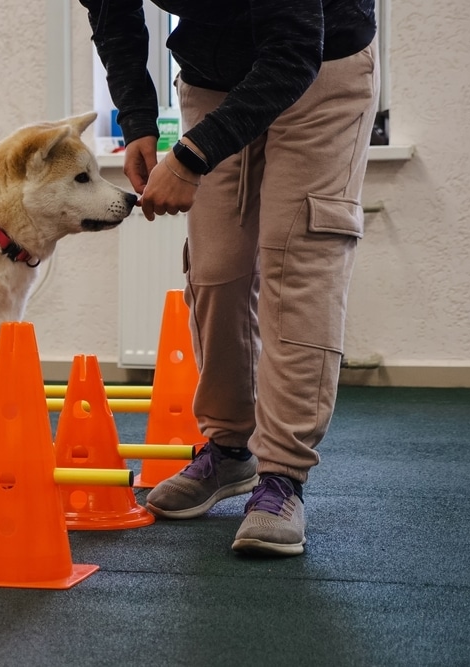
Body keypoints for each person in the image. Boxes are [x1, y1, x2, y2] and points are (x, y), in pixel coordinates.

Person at [80, 0, 379, 556]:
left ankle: (282, 476)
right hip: (213, 76)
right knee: (215, 267)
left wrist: (191, 158)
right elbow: (113, 17)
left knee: (298, 262)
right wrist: (139, 120)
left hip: (323, 69)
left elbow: (293, 52)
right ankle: (229, 450)